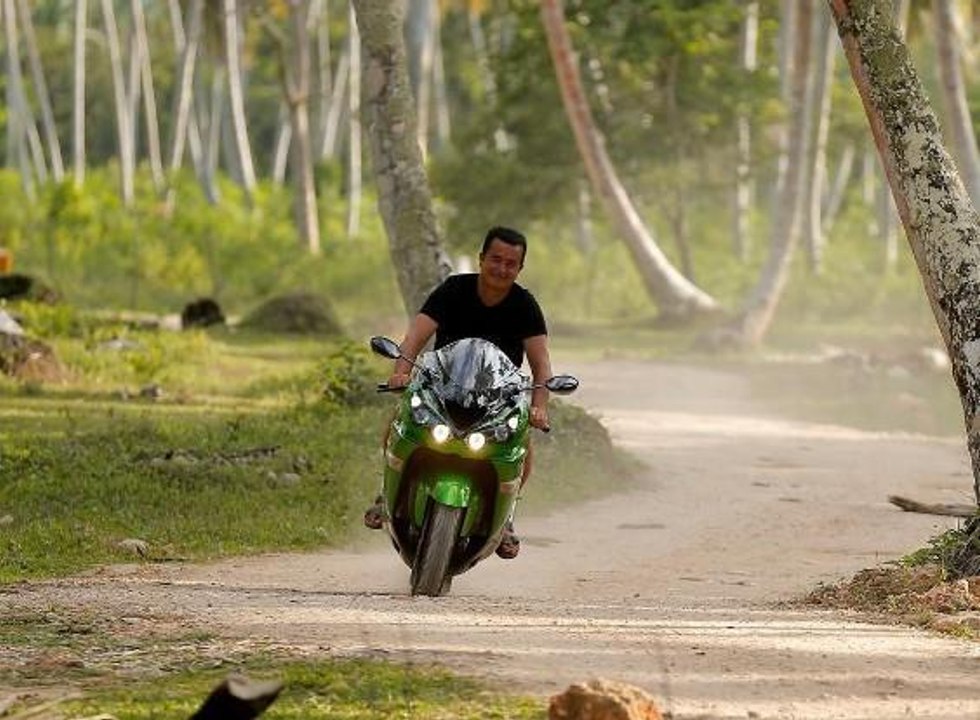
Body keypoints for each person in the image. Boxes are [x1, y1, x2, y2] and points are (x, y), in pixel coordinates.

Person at [364, 226, 553, 559]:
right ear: (481, 259)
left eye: (511, 263)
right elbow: (415, 337)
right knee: (401, 418)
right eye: (495, 259)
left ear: (519, 269)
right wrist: (401, 373)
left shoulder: (525, 305)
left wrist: (539, 408)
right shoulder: (453, 290)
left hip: (498, 399)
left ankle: (506, 519)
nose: (502, 268)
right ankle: (384, 493)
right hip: (441, 385)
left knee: (521, 445)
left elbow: (541, 366)